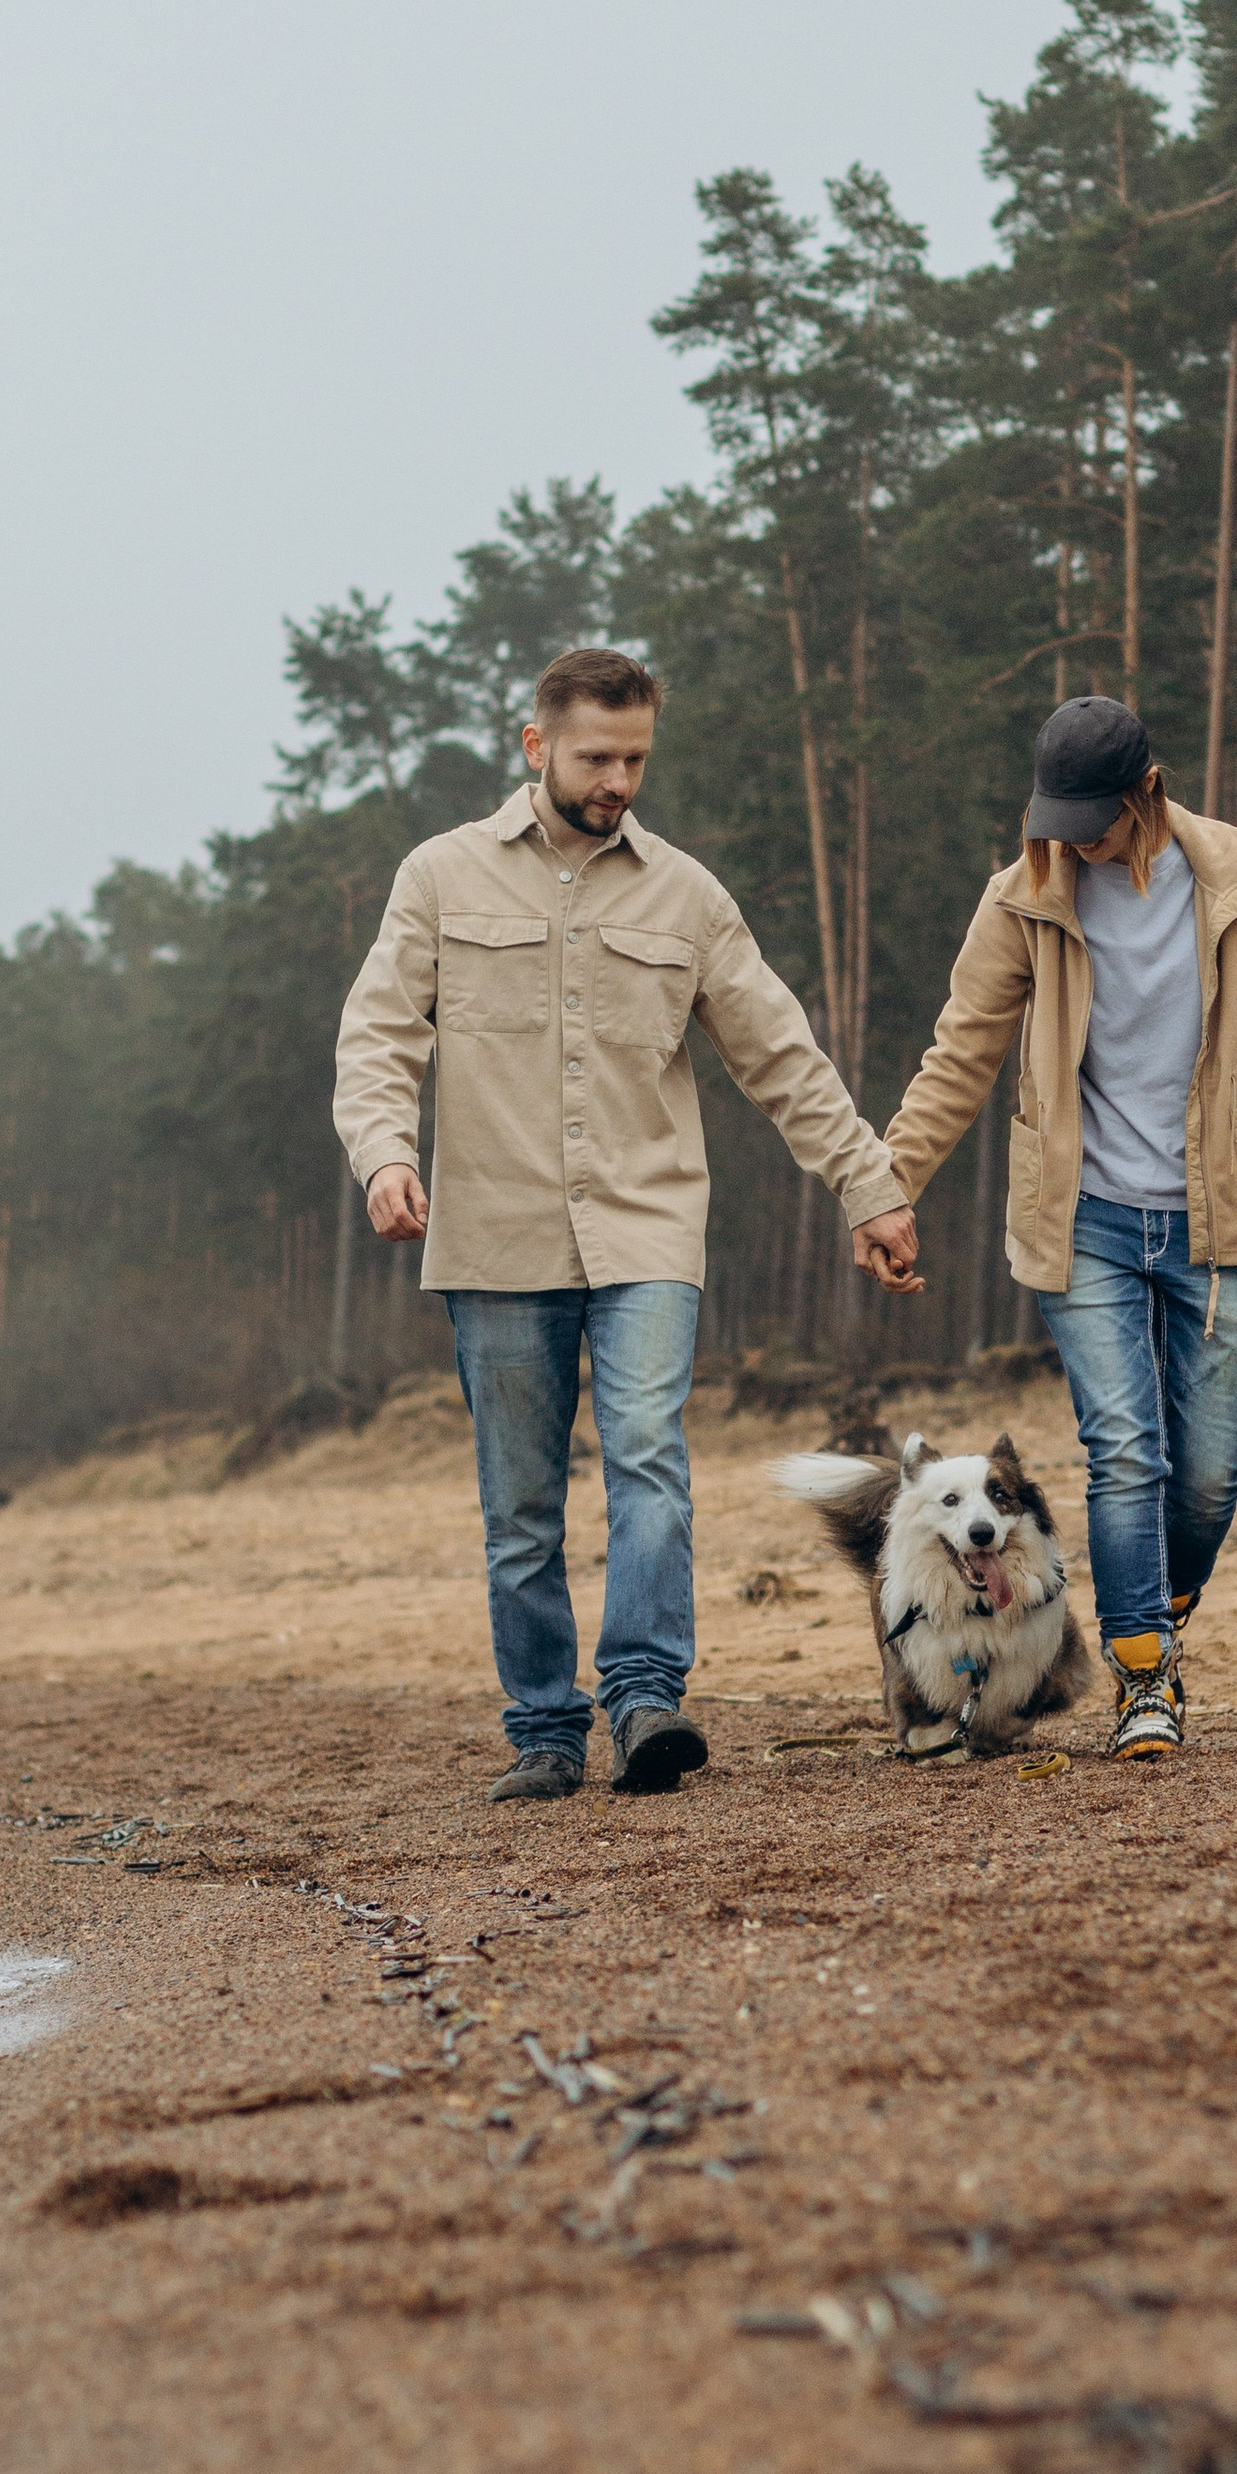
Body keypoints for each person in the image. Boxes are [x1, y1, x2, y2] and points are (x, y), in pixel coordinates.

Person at [333, 647, 922, 1803]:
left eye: (636, 758)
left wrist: (870, 1185)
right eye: (597, 756)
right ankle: (545, 1732)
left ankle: (646, 1697)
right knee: (521, 1501)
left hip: (646, 1226)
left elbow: (781, 1057)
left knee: (649, 1456)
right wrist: (385, 1154)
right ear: (535, 744)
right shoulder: (441, 877)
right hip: (493, 1236)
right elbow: (377, 1035)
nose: (618, 780)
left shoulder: (686, 897)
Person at [883, 694, 1237, 1761]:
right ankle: (1144, 1672)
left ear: (1147, 793)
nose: (1071, 841)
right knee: (1124, 1452)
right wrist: (889, 1182)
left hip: (1223, 1214)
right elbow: (959, 1050)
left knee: (1208, 1470)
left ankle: (1158, 1601)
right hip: (1082, 1215)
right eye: (1056, 819)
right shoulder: (1022, 900)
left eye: (1091, 821)